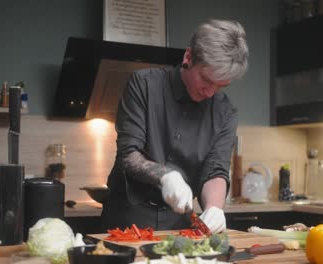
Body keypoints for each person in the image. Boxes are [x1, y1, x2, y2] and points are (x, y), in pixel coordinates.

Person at [101, 19, 249, 234]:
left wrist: (214, 208)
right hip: (126, 219)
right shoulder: (144, 85)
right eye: (206, 79)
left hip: (179, 225)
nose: (210, 92)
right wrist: (166, 176)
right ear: (188, 56)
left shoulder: (225, 112)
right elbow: (128, 154)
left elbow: (215, 170)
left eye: (221, 86)